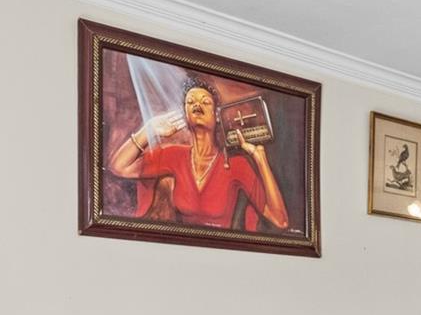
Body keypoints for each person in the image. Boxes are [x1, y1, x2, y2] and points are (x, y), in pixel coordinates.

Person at [108, 79, 289, 231]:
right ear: (186, 114)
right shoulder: (174, 156)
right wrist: (148, 130)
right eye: (190, 102)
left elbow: (280, 220)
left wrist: (260, 158)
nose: (197, 105)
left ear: (217, 115)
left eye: (205, 102)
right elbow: (119, 167)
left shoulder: (236, 164)